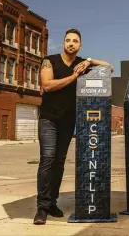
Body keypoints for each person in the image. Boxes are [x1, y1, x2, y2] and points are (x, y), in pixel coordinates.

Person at [34, 28, 113, 225]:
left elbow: (109, 68)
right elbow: (47, 85)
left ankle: (52, 202)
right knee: (48, 159)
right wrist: (74, 77)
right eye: (68, 40)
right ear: (63, 43)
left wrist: (89, 61)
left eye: (75, 41)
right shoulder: (49, 60)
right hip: (49, 119)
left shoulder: (81, 64)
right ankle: (42, 207)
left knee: (59, 162)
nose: (71, 43)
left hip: (68, 121)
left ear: (80, 45)